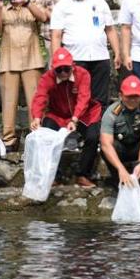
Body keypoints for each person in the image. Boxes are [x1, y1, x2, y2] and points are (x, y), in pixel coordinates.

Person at [30, 47, 102, 188]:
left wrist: (75, 119)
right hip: (58, 114)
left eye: (66, 69)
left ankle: (83, 174)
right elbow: (40, 97)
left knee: (93, 137)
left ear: (72, 66)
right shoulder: (47, 78)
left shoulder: (83, 74)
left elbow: (83, 98)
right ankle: (53, 176)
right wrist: (36, 117)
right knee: (47, 133)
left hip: (84, 114)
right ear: (53, 69)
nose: (63, 73)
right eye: (59, 70)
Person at [0, 0, 46, 152]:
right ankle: (9, 139)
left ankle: (36, 136)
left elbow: (44, 17)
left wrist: (26, 1)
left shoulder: (31, 6)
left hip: (32, 60)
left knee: (35, 102)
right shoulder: (2, 9)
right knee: (8, 102)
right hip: (9, 62)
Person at [50, 0, 121, 108]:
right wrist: (56, 60)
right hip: (75, 60)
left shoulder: (100, 3)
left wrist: (117, 53)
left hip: (100, 57)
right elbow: (56, 35)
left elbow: (110, 29)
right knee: (76, 98)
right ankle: (77, 129)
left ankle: (98, 128)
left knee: (99, 100)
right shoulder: (62, 6)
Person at [100, 75, 140, 189]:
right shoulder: (111, 113)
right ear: (120, 95)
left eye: (136, 96)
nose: (132, 100)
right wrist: (121, 169)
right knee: (105, 146)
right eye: (129, 96)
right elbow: (106, 144)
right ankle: (118, 178)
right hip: (120, 148)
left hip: (138, 147)